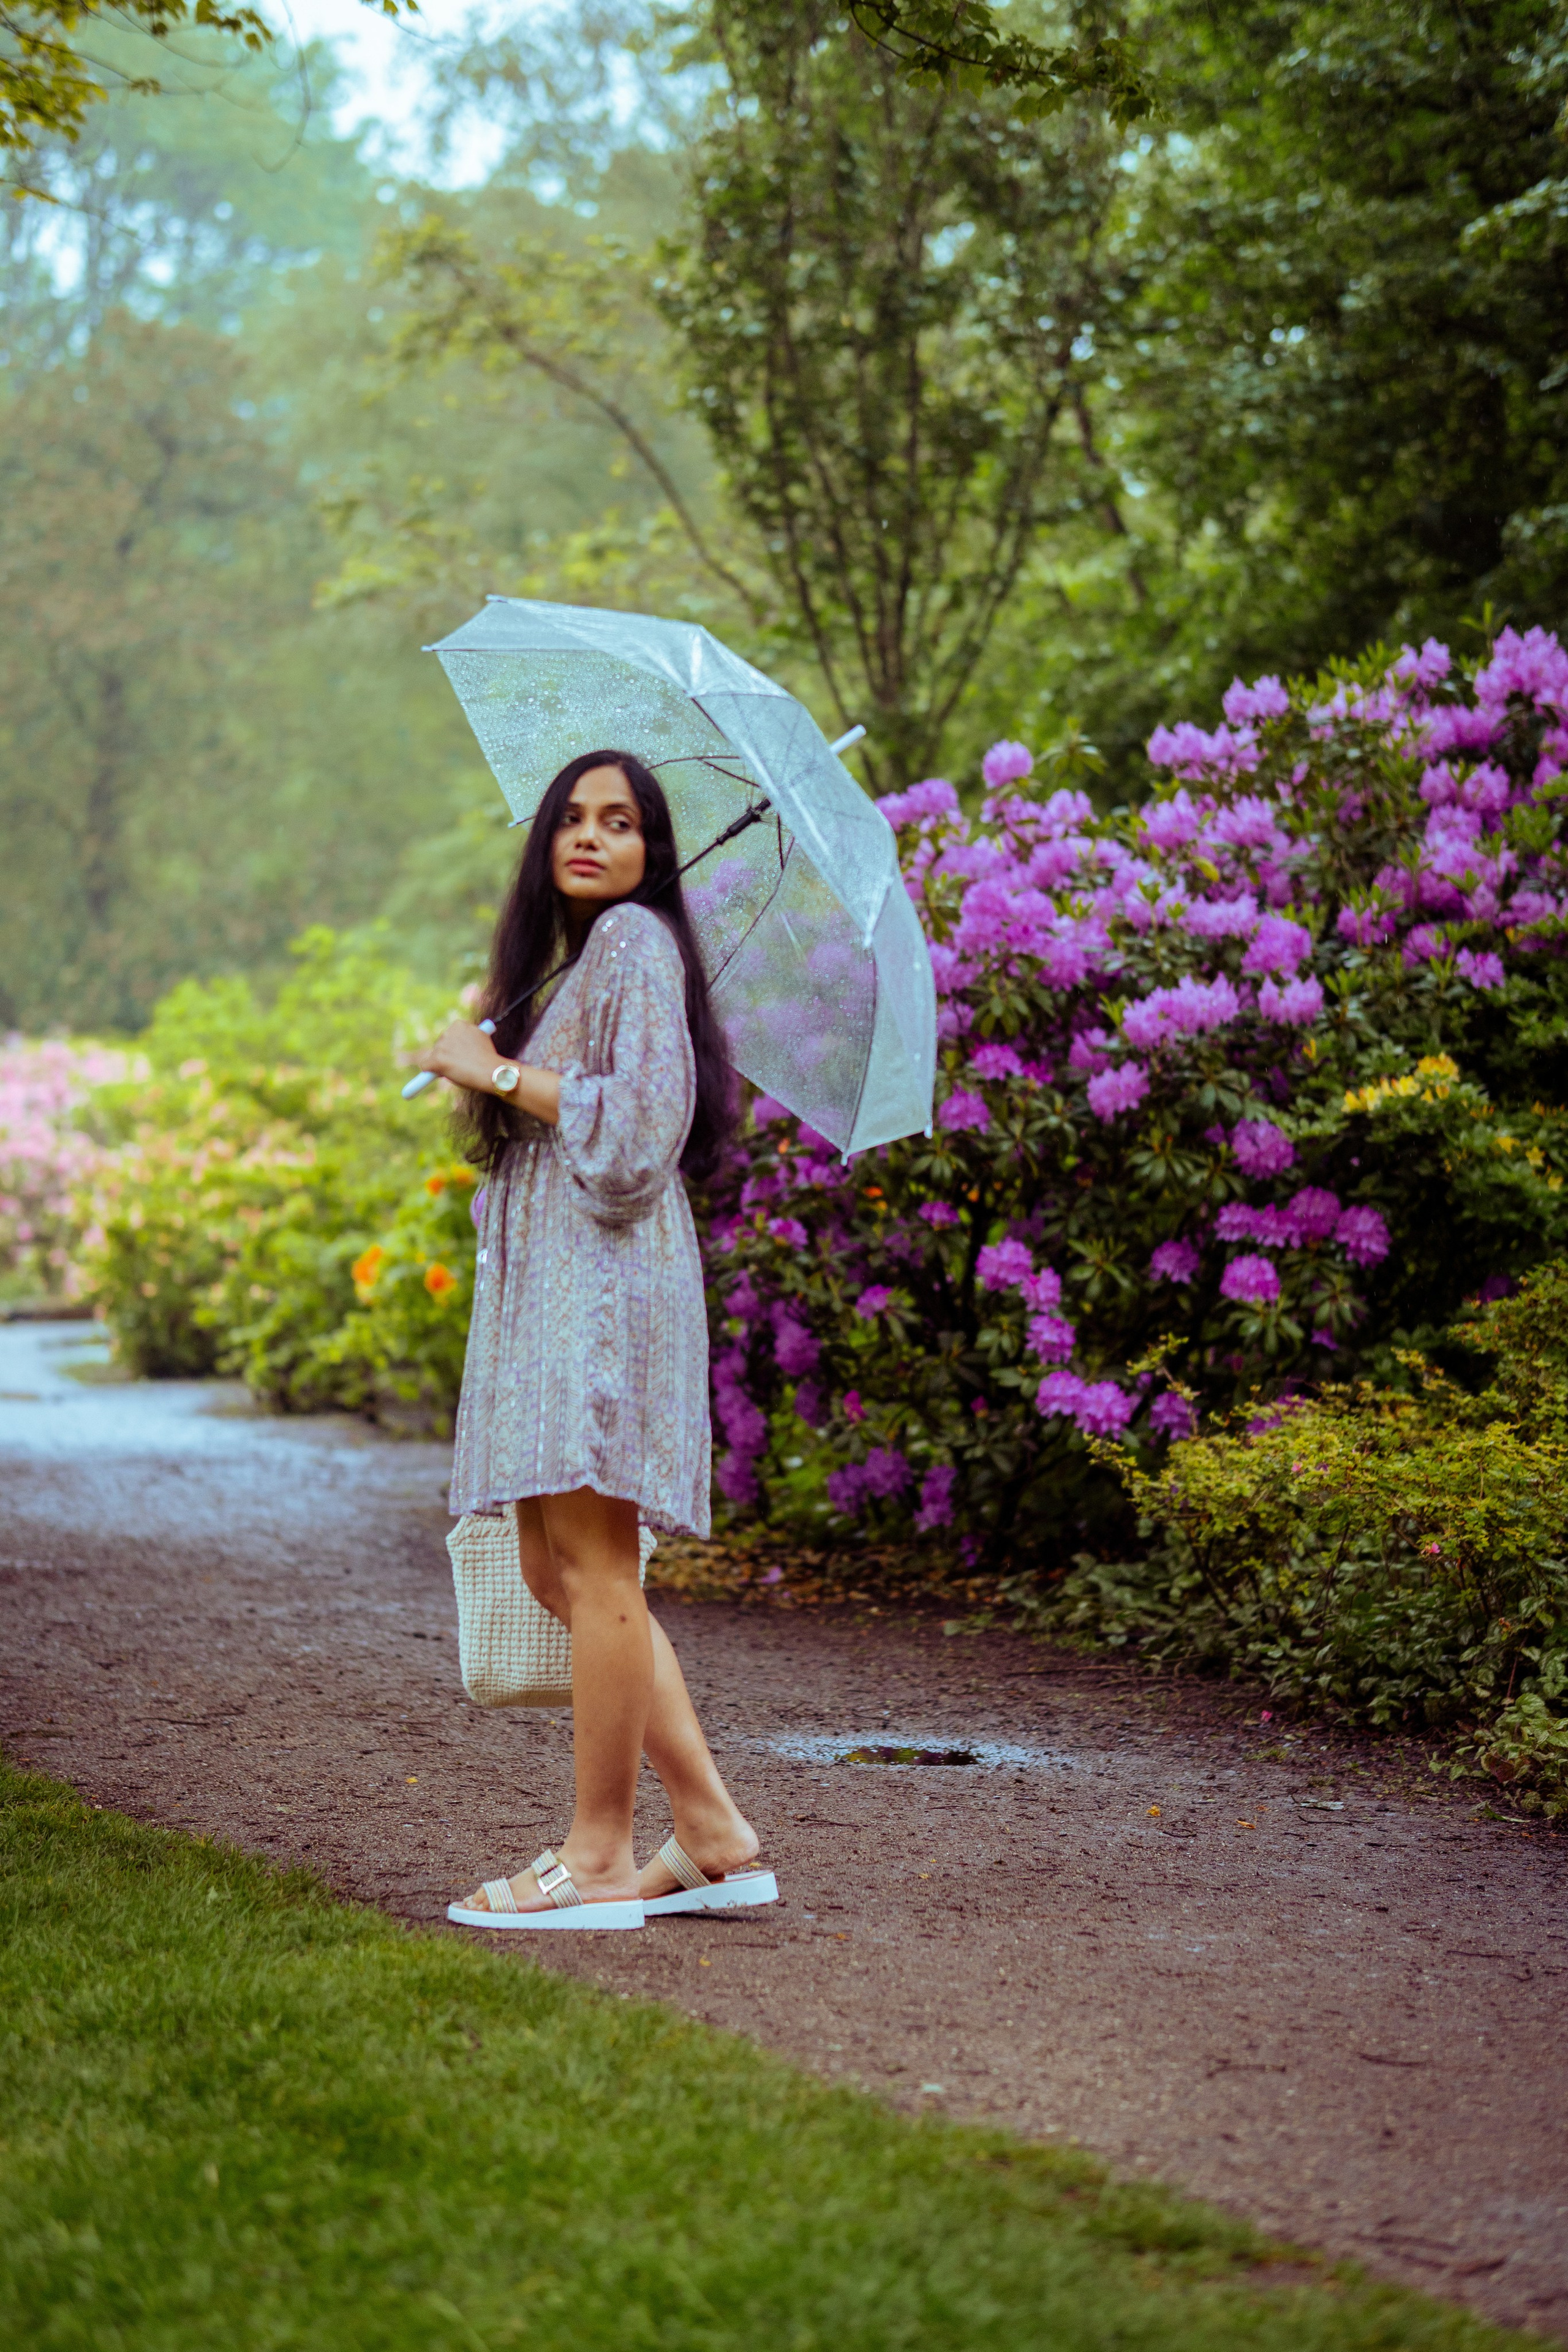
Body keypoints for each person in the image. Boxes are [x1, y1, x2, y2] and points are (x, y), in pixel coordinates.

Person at [416, 750, 772, 1928]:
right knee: (550, 1571)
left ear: (652, 852)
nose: (590, 836)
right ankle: (714, 1833)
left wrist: (504, 1070)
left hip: (603, 1294)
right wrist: (497, 1047)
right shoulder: (577, 961)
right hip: (554, 1292)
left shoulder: (634, 945)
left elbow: (640, 1131)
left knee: (599, 1571)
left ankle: (601, 1852)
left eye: (619, 823)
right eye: (571, 817)